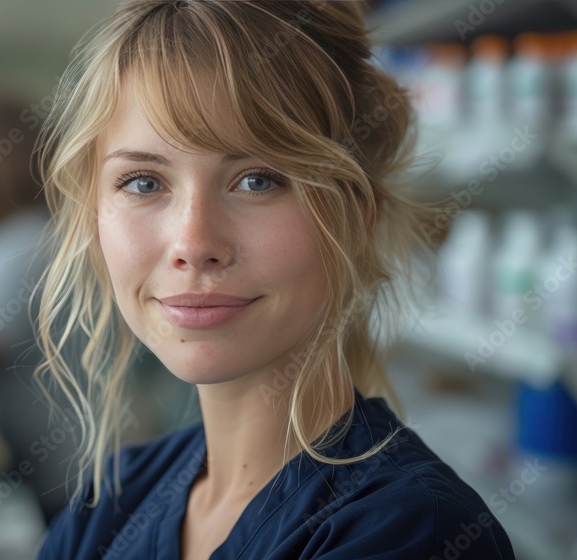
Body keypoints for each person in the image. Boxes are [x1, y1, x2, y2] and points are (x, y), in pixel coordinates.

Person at [30, 1, 516, 559]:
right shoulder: (110, 504)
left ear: (360, 216)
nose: (193, 244)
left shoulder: (406, 532)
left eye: (257, 179)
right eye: (142, 183)